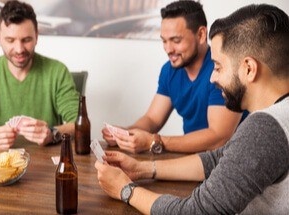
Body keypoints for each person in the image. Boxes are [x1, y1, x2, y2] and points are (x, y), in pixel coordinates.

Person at [95, 3, 289, 214]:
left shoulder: (265, 129)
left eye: (219, 67)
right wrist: (140, 168)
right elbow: (217, 159)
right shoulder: (277, 116)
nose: (213, 77)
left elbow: (195, 212)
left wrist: (126, 190)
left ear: (249, 69)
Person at [102, 0, 244, 154]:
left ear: (201, 34)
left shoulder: (221, 71)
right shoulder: (169, 71)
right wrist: (125, 133)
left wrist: (154, 141)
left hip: (228, 161)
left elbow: (218, 137)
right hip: (193, 159)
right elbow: (152, 119)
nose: (168, 49)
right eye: (164, 41)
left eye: (176, 40)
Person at [0, 1, 79, 149]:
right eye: (10, 40)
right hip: (4, 161)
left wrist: (52, 133)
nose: (19, 49)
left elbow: (79, 123)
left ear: (37, 37)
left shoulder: (57, 71)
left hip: (47, 160)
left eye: (26, 40)